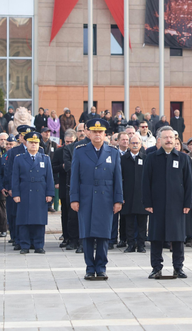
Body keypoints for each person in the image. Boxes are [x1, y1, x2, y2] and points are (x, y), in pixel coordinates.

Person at [71, 119, 123, 279]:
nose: (97, 134)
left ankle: (101, 267)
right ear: (88, 133)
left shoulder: (113, 152)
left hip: (105, 199)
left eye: (100, 132)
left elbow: (118, 179)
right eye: (94, 131)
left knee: (103, 234)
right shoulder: (80, 151)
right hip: (86, 198)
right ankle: (89, 267)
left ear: (104, 134)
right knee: (86, 234)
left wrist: (118, 200)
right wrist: (74, 198)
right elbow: (74, 178)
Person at [143, 126, 192, 279]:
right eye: (166, 137)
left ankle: (178, 267)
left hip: (177, 205)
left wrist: (187, 204)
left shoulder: (183, 158)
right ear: (160, 140)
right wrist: (147, 202)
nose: (169, 140)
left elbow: (189, 183)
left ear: (175, 140)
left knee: (178, 238)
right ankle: (156, 267)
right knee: (156, 237)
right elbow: (146, 182)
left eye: (171, 137)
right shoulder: (151, 157)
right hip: (157, 205)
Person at [11, 132, 55, 254]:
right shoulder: (19, 158)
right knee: (24, 220)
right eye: (31, 143)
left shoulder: (44, 158)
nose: (34, 145)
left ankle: (39, 245)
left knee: (39, 221)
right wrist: (16, 194)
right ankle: (24, 245)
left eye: (36, 143)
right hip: (24, 192)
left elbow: (49, 178)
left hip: (40, 193)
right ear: (26, 143)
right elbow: (15, 178)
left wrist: (49, 194)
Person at [121, 134, 149, 253]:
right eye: (133, 143)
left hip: (142, 196)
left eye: (137, 143)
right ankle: (131, 244)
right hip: (128, 196)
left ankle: (141, 245)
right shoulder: (123, 159)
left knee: (142, 223)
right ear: (129, 145)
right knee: (129, 223)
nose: (135, 145)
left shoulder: (146, 158)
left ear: (141, 145)